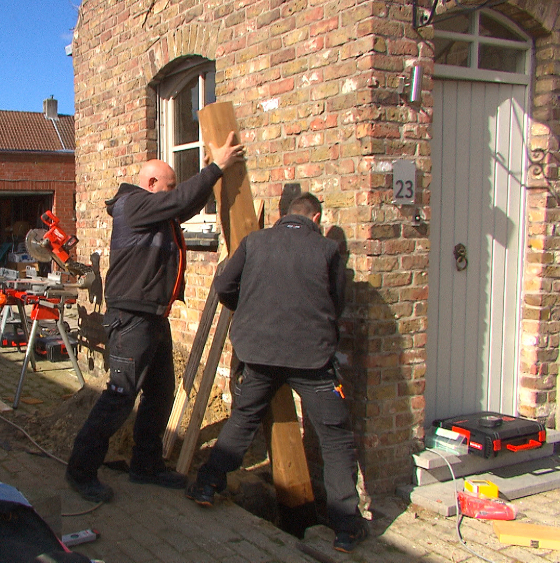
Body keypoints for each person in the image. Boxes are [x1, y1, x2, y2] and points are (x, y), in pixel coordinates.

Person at [65, 133, 247, 504]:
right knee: (119, 396)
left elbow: (184, 205)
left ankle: (145, 465)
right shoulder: (133, 204)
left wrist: (214, 177)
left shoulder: (154, 210)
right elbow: (179, 200)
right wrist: (215, 167)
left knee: (161, 392)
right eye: (168, 186)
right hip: (132, 319)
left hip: (152, 317)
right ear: (151, 185)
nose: (172, 193)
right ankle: (80, 470)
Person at [185, 192, 368, 553]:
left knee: (243, 419)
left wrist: (248, 307)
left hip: (260, 355)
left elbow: (223, 286)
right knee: (334, 438)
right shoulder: (329, 251)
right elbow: (337, 303)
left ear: (285, 215)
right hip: (312, 361)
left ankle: (207, 484)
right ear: (316, 217)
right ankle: (346, 526)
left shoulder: (255, 241)